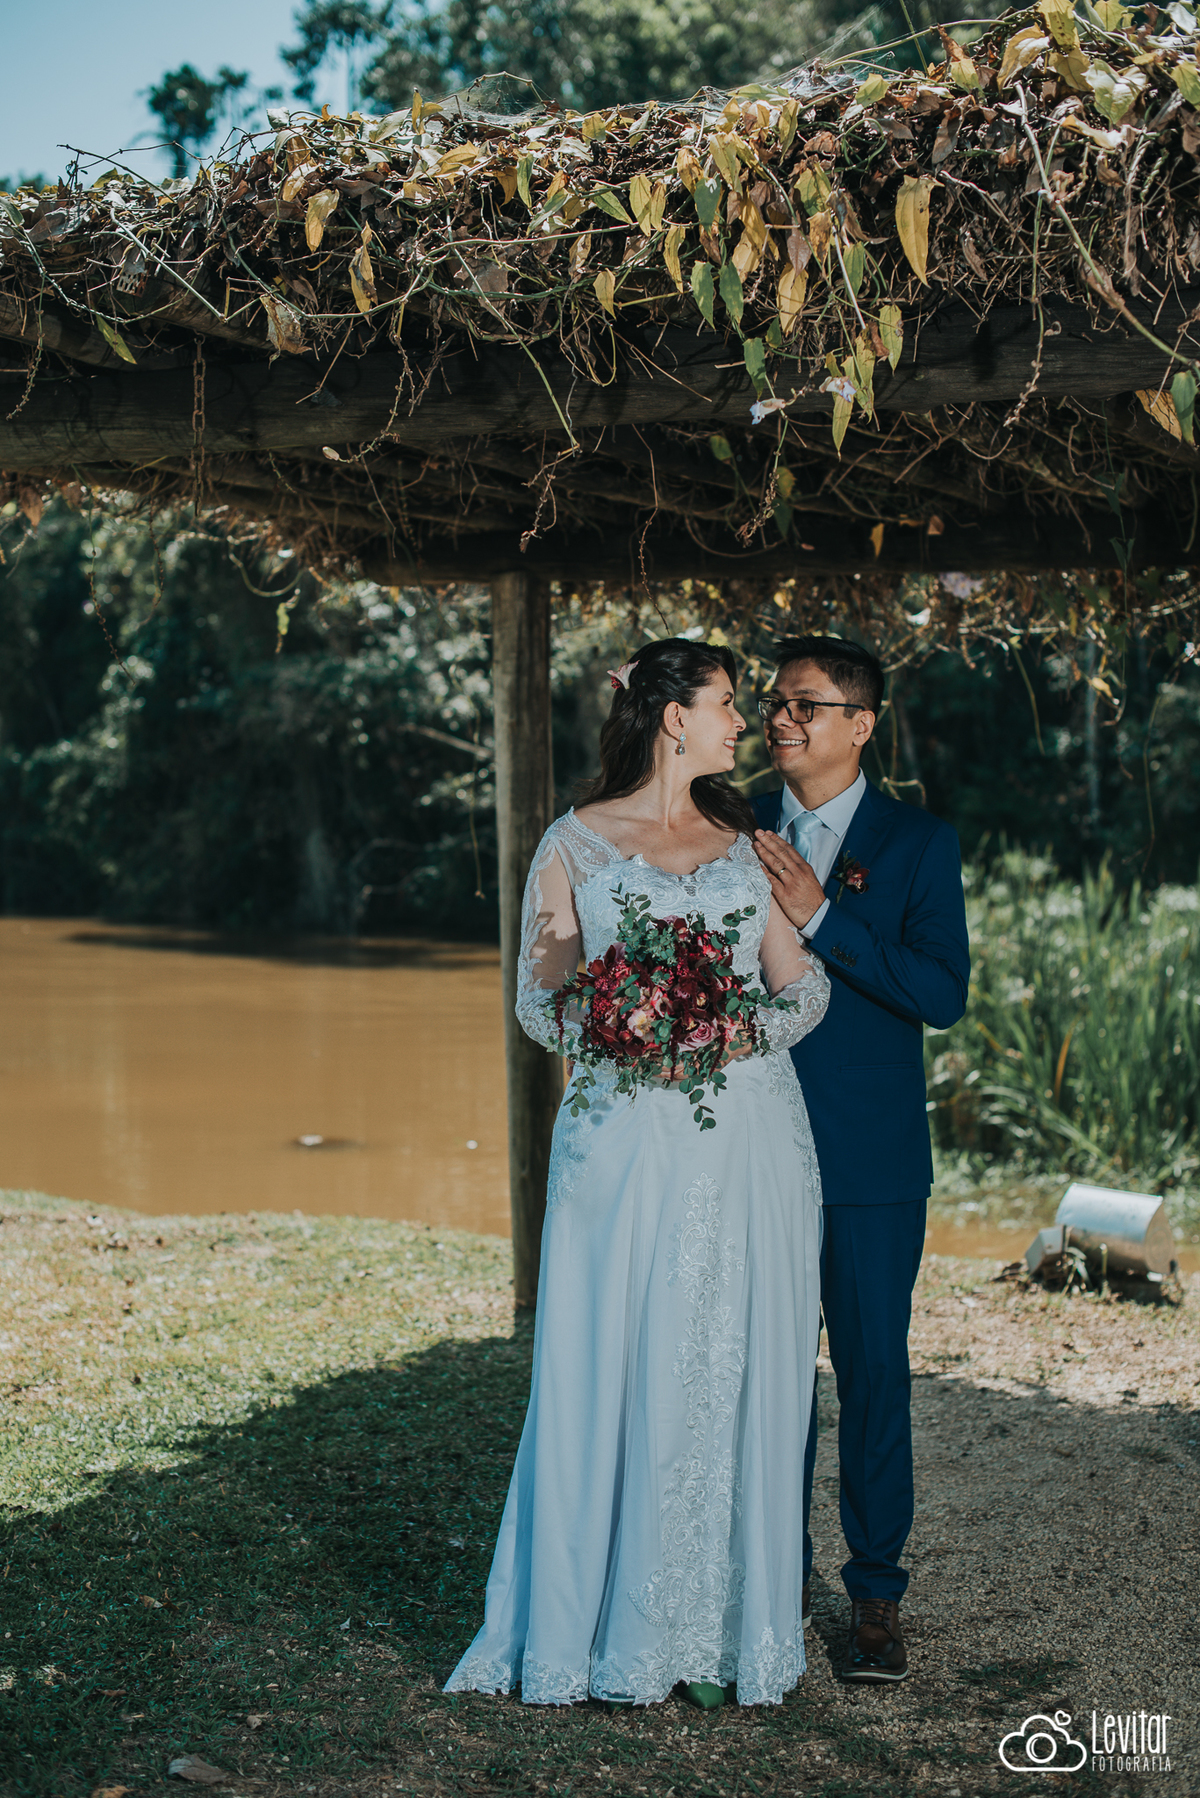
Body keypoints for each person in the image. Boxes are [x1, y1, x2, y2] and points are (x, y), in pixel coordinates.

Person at [445, 638, 830, 1710]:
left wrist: (731, 1029)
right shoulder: (574, 843)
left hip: (744, 1140)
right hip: (621, 1139)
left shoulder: (750, 846)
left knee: (726, 1361)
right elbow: (541, 1001)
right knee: (612, 1359)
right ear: (673, 718)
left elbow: (803, 992)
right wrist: (626, 1025)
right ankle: (598, 1627)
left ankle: (719, 1632)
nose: (742, 722)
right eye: (727, 704)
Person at [749, 634, 970, 1684]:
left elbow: (940, 993)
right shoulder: (732, 824)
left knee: (873, 1375)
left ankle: (875, 1595)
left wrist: (822, 915)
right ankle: (773, 1576)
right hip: (753, 1147)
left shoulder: (919, 842)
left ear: (861, 724)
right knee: (769, 1374)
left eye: (806, 703)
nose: (781, 718)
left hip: (873, 1162)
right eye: (774, 701)